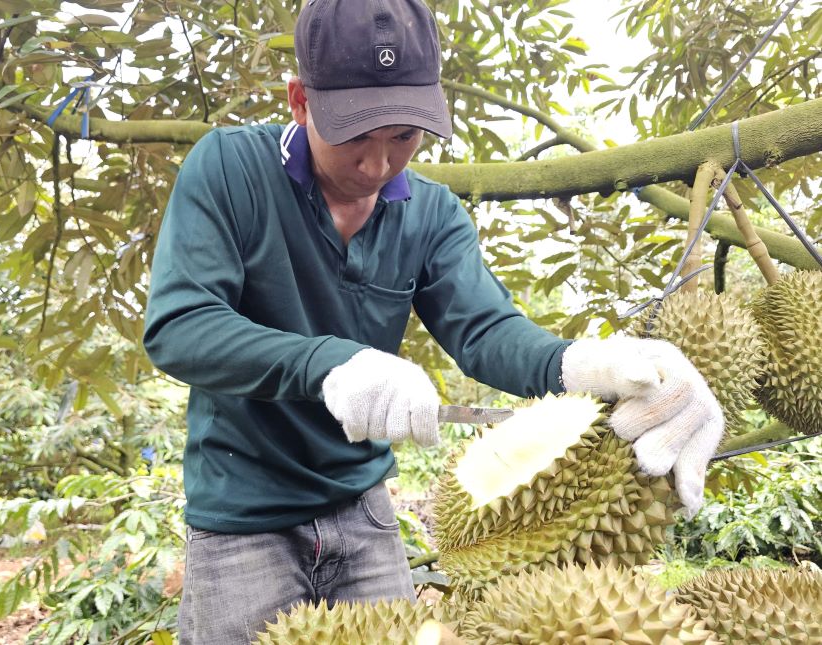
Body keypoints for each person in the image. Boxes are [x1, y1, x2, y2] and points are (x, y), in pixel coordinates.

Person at [142, 0, 724, 641]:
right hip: (242, 517)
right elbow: (181, 325)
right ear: (300, 101)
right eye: (355, 135)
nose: (376, 164)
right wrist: (335, 363)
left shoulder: (433, 213)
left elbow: (485, 333)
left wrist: (583, 363)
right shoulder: (230, 169)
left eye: (402, 136)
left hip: (363, 508)